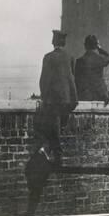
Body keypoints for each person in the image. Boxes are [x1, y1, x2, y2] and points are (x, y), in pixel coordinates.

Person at [35, 29, 78, 165]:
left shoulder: (48, 57)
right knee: (58, 126)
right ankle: (51, 151)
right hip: (68, 99)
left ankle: (56, 154)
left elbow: (44, 80)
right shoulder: (70, 57)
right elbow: (72, 78)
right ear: (64, 43)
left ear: (53, 42)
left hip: (53, 100)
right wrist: (73, 97)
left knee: (52, 125)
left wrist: (44, 96)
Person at [74, 35, 109, 102]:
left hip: (85, 96)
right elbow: (108, 57)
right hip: (100, 95)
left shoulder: (79, 61)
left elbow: (76, 79)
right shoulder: (100, 59)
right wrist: (99, 48)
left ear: (85, 46)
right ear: (96, 46)